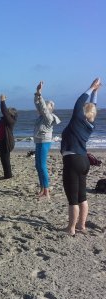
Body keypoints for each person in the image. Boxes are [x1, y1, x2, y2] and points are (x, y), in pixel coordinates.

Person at [60, 78, 101, 236]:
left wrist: (91, 88)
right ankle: (82, 225)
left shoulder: (77, 119)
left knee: (73, 198)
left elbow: (79, 101)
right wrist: (96, 93)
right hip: (84, 161)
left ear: (83, 112)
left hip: (73, 160)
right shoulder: (91, 124)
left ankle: (71, 228)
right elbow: (93, 108)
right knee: (82, 197)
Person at [33, 81, 61, 198]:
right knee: (37, 165)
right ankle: (42, 188)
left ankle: (47, 190)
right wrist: (37, 94)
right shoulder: (41, 116)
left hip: (45, 142)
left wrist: (40, 94)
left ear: (51, 108)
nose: (44, 106)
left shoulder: (49, 118)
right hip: (39, 141)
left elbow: (43, 108)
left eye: (48, 105)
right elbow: (39, 105)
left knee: (42, 165)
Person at [0, 94, 18, 179]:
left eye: (9, 111)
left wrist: (2, 101)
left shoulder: (11, 121)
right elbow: (4, 112)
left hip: (6, 142)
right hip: (2, 141)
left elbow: (4, 110)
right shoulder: (5, 119)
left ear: (12, 114)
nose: (7, 111)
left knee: (5, 159)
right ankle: (7, 174)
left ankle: (8, 175)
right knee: (3, 158)